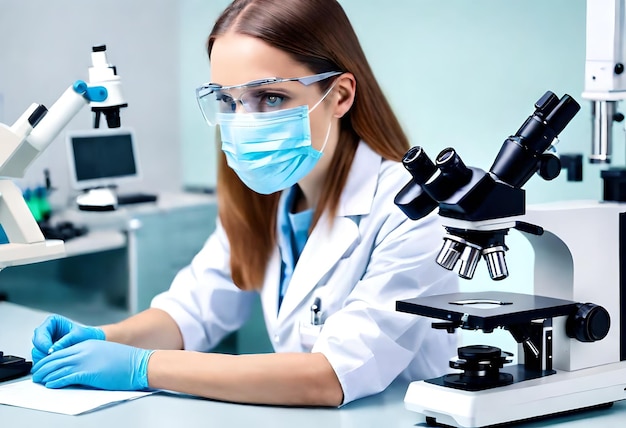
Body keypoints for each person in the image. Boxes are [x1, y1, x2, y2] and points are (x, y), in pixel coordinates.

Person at [30, 0, 458, 407]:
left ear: (341, 96)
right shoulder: (267, 196)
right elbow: (191, 312)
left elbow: (329, 376)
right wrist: (104, 339)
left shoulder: (413, 211)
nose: (243, 122)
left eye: (270, 97)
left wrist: (145, 367)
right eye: (227, 100)